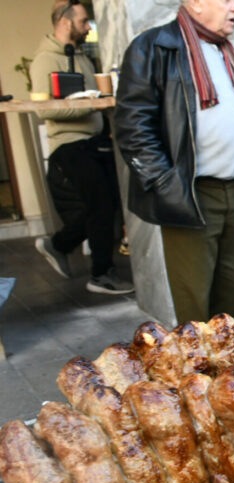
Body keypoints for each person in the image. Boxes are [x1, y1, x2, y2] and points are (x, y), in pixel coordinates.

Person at [114, 0, 234, 324]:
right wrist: (166, 185)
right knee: (195, 308)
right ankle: (198, 373)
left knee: (232, 297)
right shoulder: (154, 47)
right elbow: (131, 127)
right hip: (190, 194)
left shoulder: (224, 50)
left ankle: (229, 373)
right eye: (226, 0)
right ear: (196, 3)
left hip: (232, 190)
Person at [31, 0, 134, 295]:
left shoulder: (81, 57)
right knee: (100, 206)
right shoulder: (44, 60)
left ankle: (59, 244)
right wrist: (87, 107)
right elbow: (43, 111)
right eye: (83, 21)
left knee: (108, 206)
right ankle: (101, 274)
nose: (88, 27)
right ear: (65, 22)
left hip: (95, 142)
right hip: (70, 144)